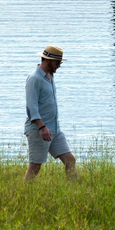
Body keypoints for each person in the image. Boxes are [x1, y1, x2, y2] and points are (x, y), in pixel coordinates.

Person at [25, 44, 76, 182]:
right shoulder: (34, 78)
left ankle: (74, 192)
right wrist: (42, 127)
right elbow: (31, 107)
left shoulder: (50, 75)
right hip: (39, 129)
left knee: (70, 160)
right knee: (35, 167)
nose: (59, 65)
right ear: (47, 60)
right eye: (57, 62)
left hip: (55, 129)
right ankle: (24, 193)